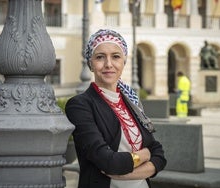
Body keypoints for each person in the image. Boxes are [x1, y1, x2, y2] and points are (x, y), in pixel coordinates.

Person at [65, 29, 166, 188]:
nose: (108, 64)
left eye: (116, 56)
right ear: (90, 64)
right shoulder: (80, 105)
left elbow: (158, 154)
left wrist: (130, 170)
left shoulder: (131, 101)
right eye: (100, 57)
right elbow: (108, 162)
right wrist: (145, 155)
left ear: (123, 62)